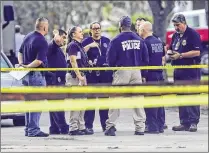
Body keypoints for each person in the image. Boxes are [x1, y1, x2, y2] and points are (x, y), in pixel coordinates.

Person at [105, 16, 149, 136]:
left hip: (122, 70)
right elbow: (146, 58)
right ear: (131, 26)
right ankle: (140, 127)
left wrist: (114, 69)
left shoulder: (116, 40)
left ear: (120, 26)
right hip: (136, 71)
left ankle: (111, 126)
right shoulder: (139, 39)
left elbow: (109, 60)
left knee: (115, 99)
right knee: (138, 100)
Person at [168, 14, 202, 132]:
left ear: (184, 23)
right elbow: (172, 47)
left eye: (178, 25)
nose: (176, 28)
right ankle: (184, 122)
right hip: (178, 70)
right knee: (181, 96)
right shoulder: (175, 36)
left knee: (192, 95)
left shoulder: (193, 34)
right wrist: (170, 52)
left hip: (190, 70)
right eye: (174, 25)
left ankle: (193, 122)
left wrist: (181, 55)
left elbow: (197, 52)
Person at [18, 17, 49, 137]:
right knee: (36, 103)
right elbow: (39, 61)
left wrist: (22, 65)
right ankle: (33, 130)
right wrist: (28, 67)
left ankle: (28, 129)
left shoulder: (28, 36)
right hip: (36, 75)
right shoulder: (42, 40)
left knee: (29, 103)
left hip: (25, 76)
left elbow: (20, 52)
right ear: (45, 27)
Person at [135, 17, 168, 130]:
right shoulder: (158, 41)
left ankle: (152, 127)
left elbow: (144, 61)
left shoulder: (144, 43)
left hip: (150, 75)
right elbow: (163, 58)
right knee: (158, 101)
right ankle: (160, 125)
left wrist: (143, 75)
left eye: (140, 29)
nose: (138, 31)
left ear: (144, 30)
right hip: (159, 74)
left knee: (150, 102)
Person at [82, 22, 112, 134]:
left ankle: (105, 126)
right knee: (91, 101)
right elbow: (79, 53)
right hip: (92, 75)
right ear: (90, 30)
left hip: (105, 75)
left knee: (104, 101)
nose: (97, 30)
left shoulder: (106, 41)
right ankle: (88, 126)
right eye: (94, 28)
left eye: (98, 28)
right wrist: (89, 47)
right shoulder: (86, 42)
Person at [65, 26, 91, 135]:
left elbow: (80, 60)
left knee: (82, 103)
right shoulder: (73, 46)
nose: (82, 33)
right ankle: (73, 128)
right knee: (76, 103)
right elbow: (73, 61)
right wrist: (79, 75)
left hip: (81, 75)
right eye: (79, 32)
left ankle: (81, 126)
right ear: (73, 34)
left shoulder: (79, 45)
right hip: (75, 77)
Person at [47, 29, 69, 135]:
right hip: (54, 81)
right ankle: (63, 127)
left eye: (66, 38)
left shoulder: (58, 49)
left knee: (53, 105)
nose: (64, 40)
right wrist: (56, 34)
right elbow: (56, 40)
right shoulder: (52, 46)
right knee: (57, 105)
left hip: (57, 80)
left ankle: (54, 128)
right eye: (63, 37)